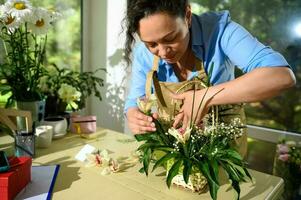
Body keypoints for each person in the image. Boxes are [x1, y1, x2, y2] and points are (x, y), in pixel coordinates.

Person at [123, 0, 296, 135]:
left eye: (170, 38)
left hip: (224, 150)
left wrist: (204, 96)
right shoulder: (143, 54)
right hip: (174, 153)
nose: (162, 51)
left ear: (187, 16)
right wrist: (133, 115)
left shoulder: (221, 31)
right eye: (151, 44)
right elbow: (134, 101)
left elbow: (281, 76)